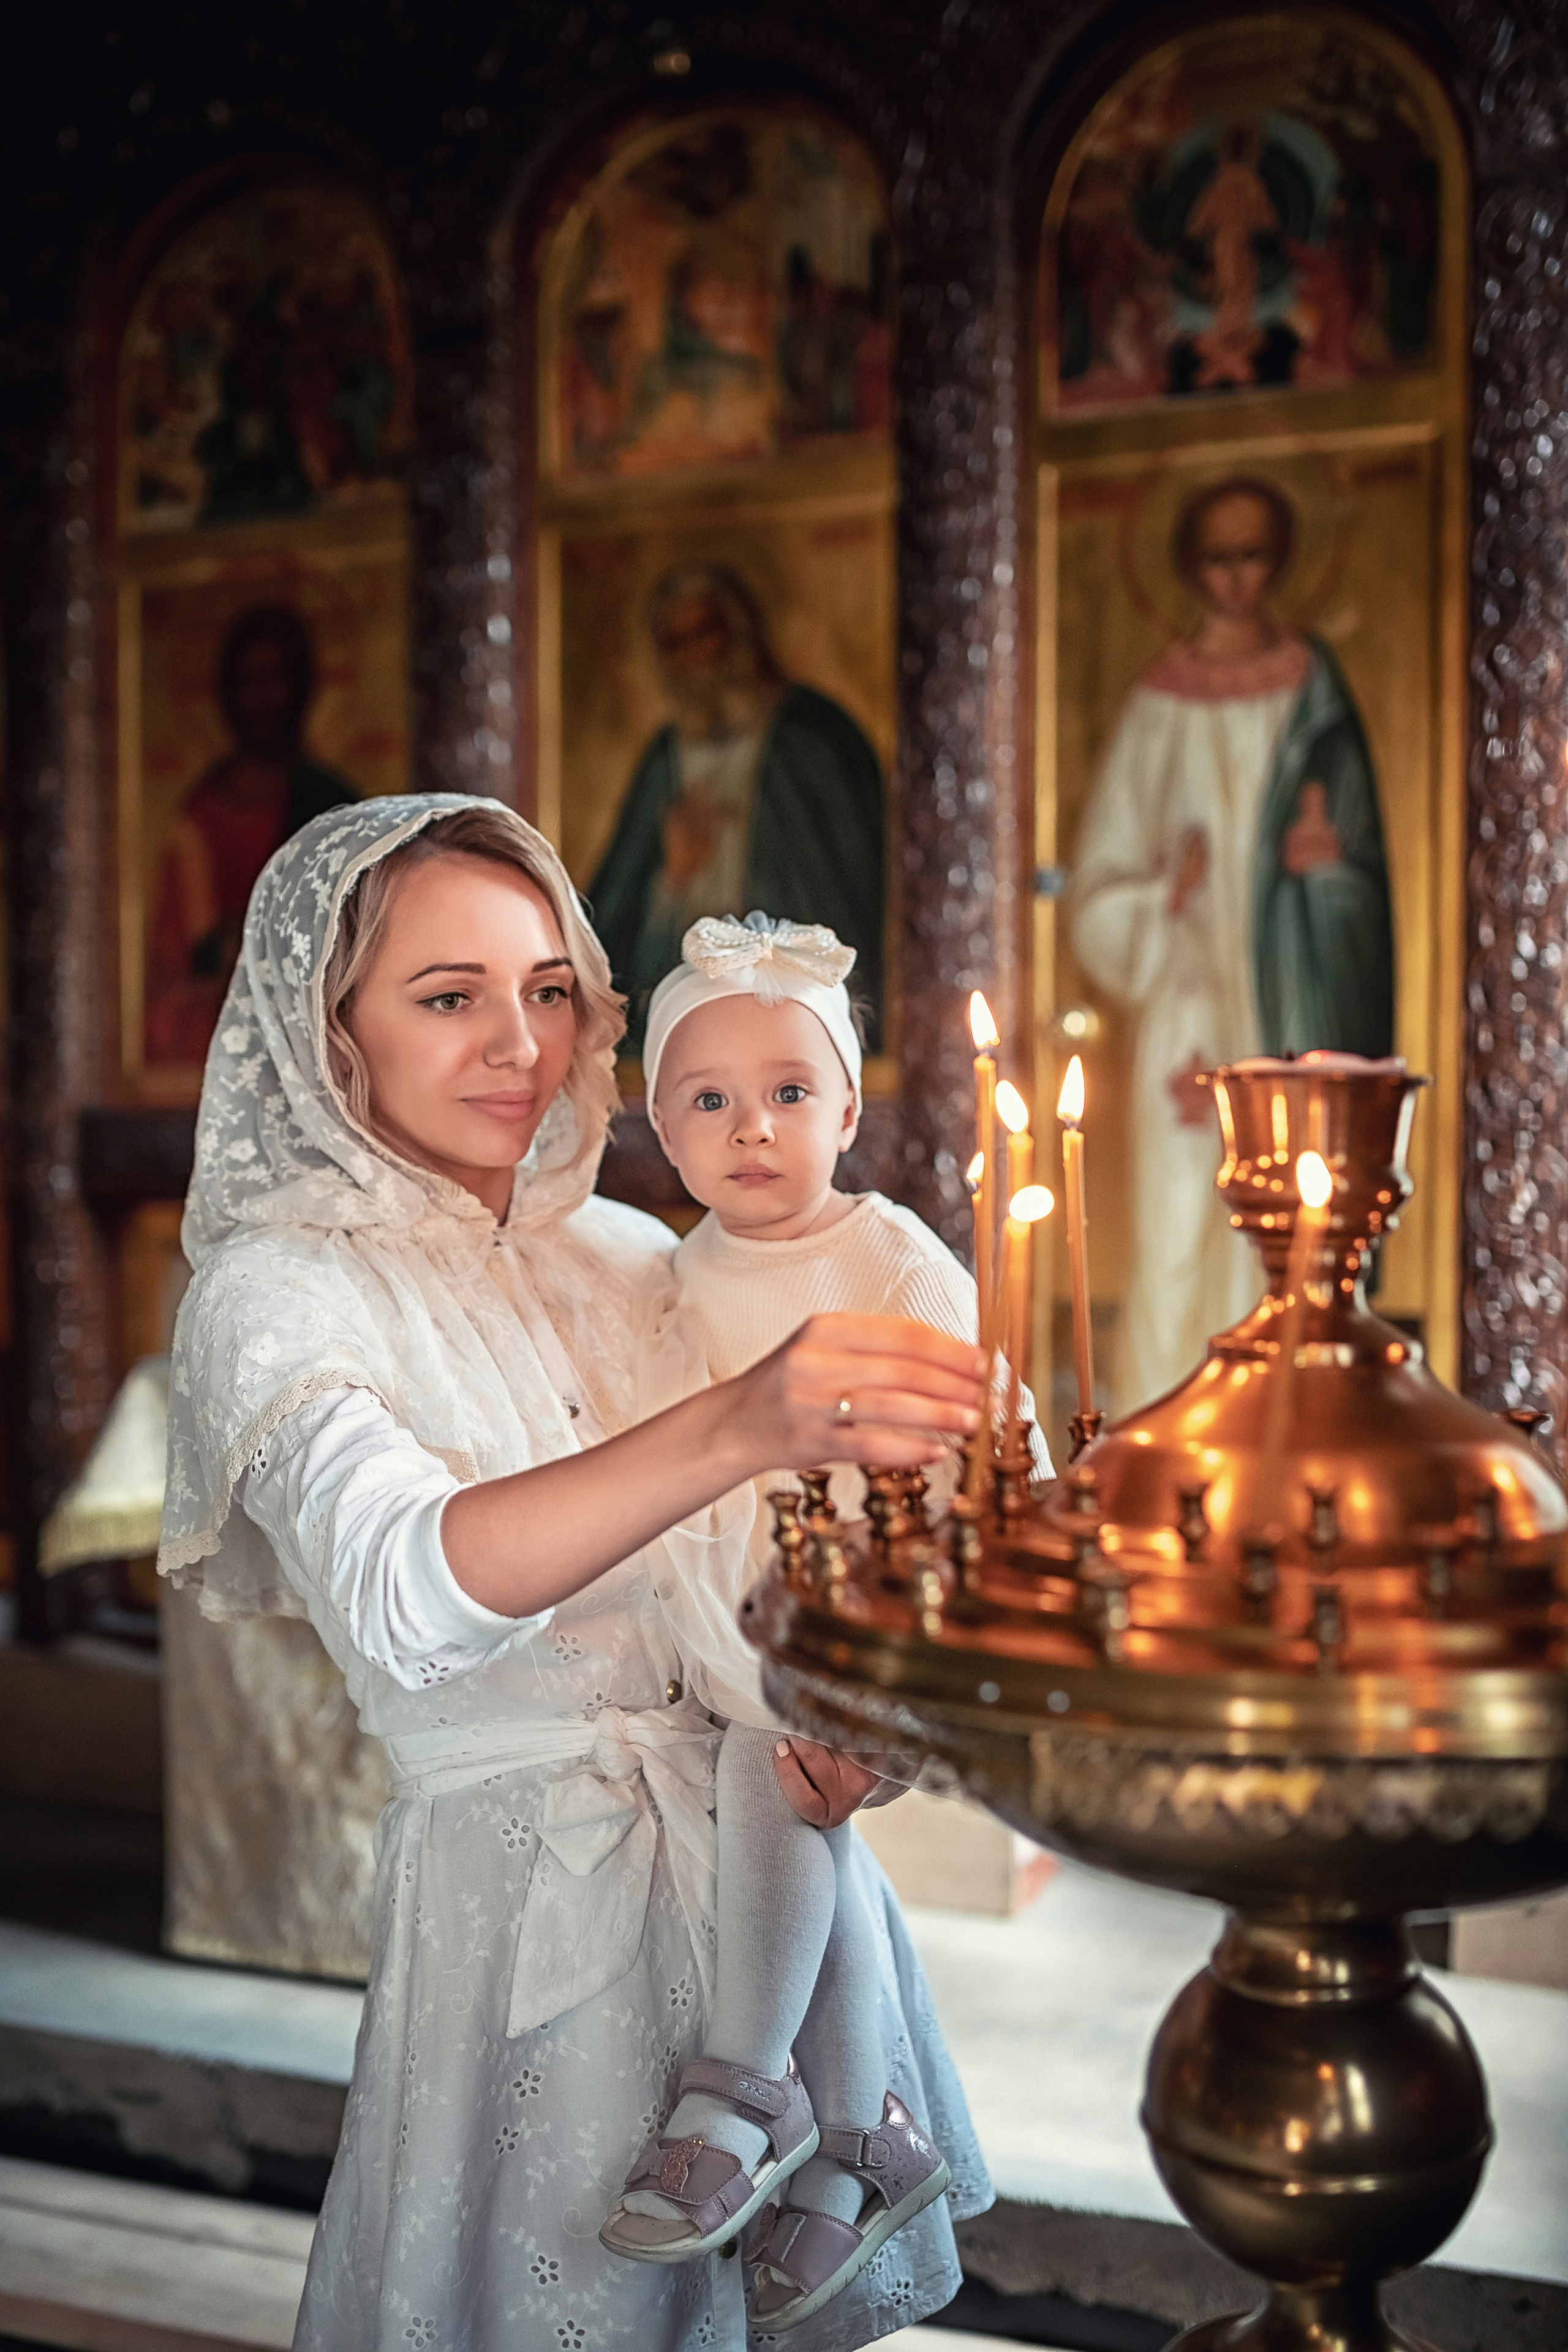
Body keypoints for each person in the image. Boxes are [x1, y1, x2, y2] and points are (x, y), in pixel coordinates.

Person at [156, 794, 992, 2351]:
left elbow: (813, 1549)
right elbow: (408, 1593)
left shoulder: (634, 1246)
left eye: (547, 990)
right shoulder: (274, 1295)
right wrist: (738, 1414)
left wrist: (868, 1721)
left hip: (774, 1903)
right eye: (448, 994)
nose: (518, 1043)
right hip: (525, 1937)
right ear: (329, 1028)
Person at [597, 913, 1046, 2329]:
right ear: (659, 1125)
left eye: (789, 1091)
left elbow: (988, 1459)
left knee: (774, 1770)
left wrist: (923, 1690)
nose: (750, 1129)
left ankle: (743, 2083)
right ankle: (864, 2140)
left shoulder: (893, 1263)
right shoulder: (671, 1277)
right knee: (794, 1817)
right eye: (707, 1099)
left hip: (861, 1623)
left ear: (847, 1107)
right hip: (727, 1623)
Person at [1071, 474, 1393, 1412]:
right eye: (1218, 557)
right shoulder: (1156, 702)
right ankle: (1165, 1445)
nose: (1237, 579)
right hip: (1184, 1005)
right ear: (1188, 567)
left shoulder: (1314, 689)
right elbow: (1097, 885)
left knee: (1293, 1237)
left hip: (1294, 1006)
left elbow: (1365, 870)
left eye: (1253, 555)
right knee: (1175, 1233)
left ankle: (1290, 1446)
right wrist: (1159, 896)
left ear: (1281, 560)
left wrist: (1324, 871)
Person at [587, 564, 885, 1051]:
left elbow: (846, 895)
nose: (694, 657)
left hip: (791, 1023)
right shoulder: (665, 759)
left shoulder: (810, 742)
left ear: (740, 633)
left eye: (705, 633)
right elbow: (614, 920)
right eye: (675, 644)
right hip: (689, 1024)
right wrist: (675, 880)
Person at [145, 603, 356, 1066]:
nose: (263, 699)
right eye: (249, 682)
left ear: (301, 687)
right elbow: (171, 963)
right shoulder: (199, 818)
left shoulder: (332, 804)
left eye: (276, 679)